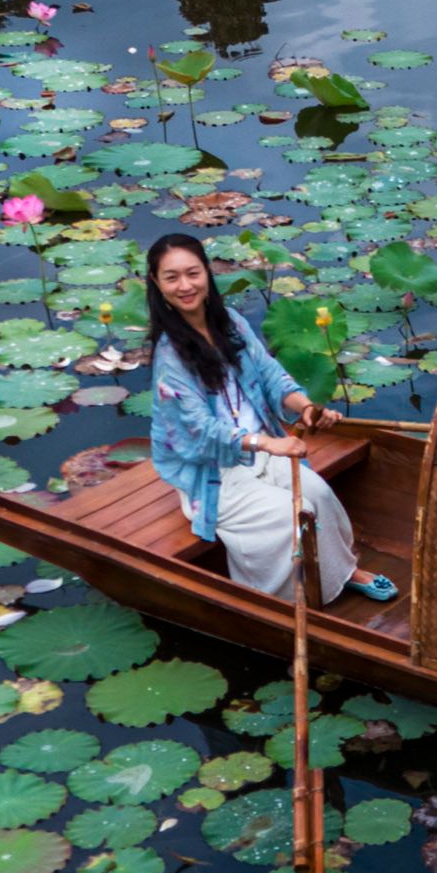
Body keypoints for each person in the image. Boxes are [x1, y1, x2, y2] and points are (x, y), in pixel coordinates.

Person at [141, 231, 396, 605]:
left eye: (193, 273)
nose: (185, 285)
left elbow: (270, 374)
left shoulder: (230, 323)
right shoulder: (170, 358)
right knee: (292, 515)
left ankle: (343, 572)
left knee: (318, 494)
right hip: (215, 472)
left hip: (261, 451)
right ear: (157, 284)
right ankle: (283, 601)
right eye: (172, 277)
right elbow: (201, 429)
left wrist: (305, 407)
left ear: (207, 274)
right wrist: (268, 442)